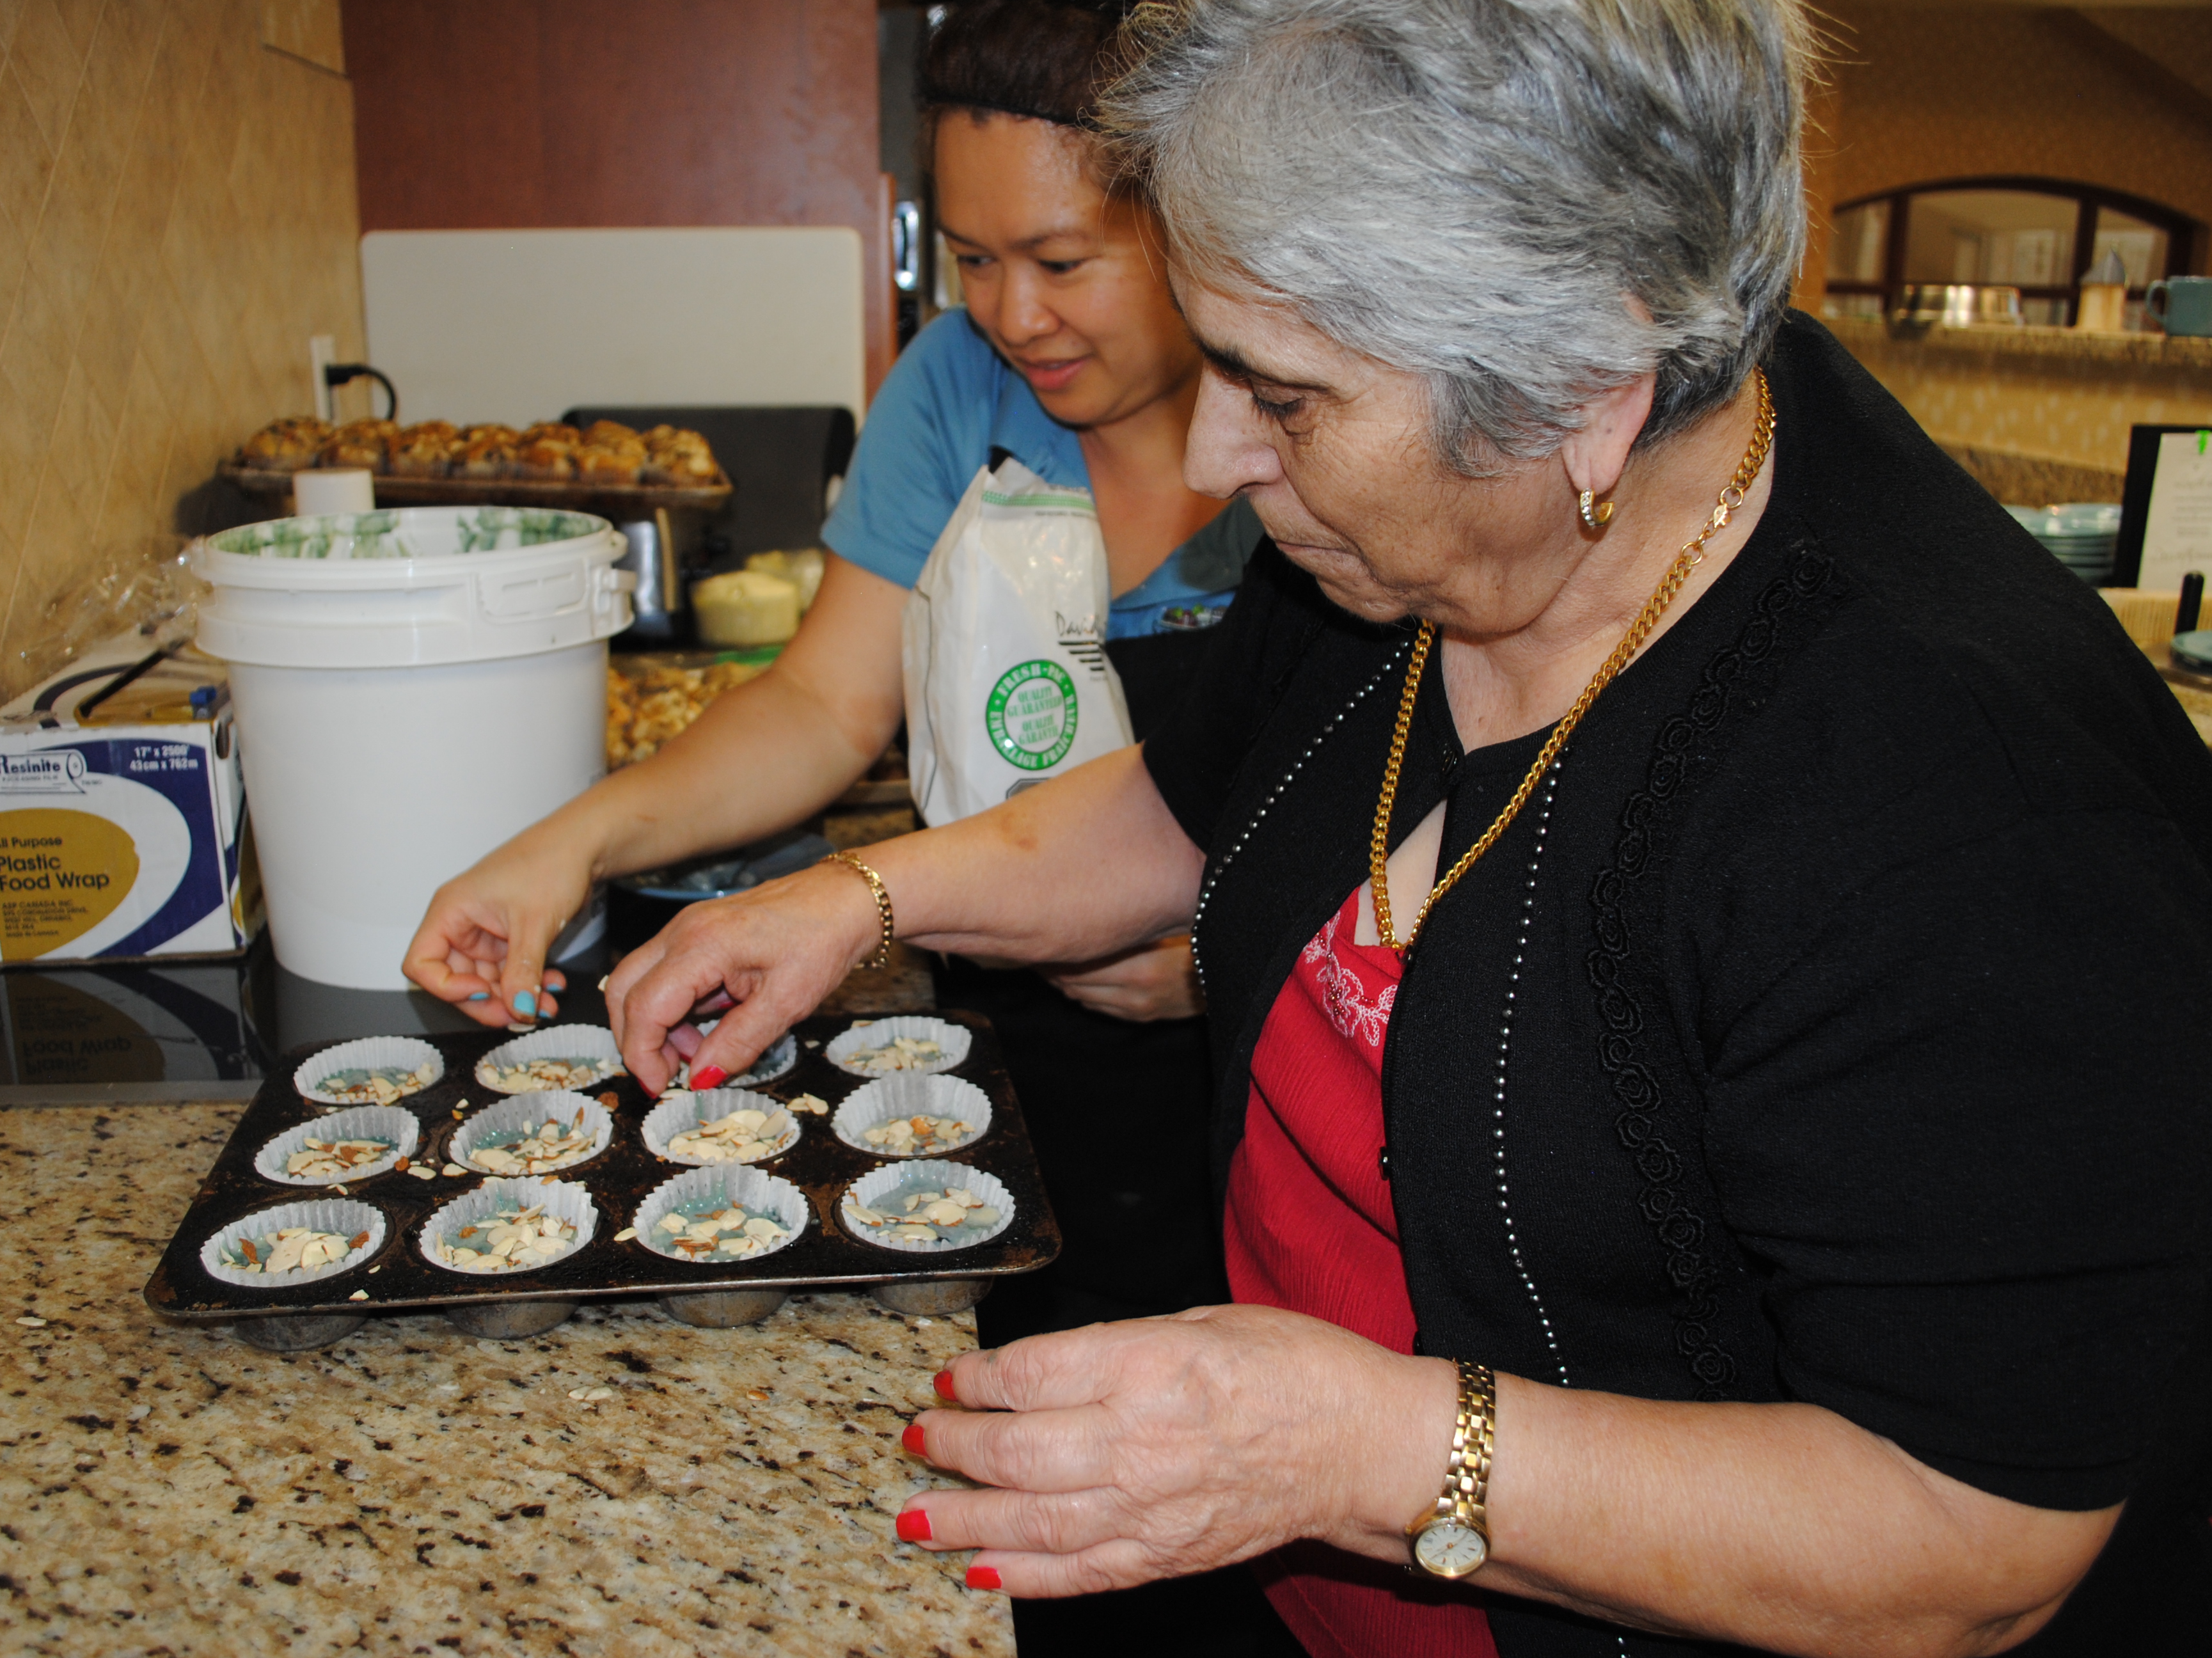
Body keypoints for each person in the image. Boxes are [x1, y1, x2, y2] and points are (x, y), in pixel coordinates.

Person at [601, 1, 2212, 1653]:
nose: (1226, 456)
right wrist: (862, 896)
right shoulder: (1425, 533)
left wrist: (1358, 1451)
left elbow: (1973, 1541)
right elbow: (1190, 798)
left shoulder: (1965, 816)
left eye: (1283, 398)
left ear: (1584, 393)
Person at [404, 3, 1295, 1652]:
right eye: (968, 258)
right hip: (1020, 1061)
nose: (1008, 315)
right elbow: (826, 705)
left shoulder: (1314, 423)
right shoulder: (960, 388)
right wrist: (576, 840)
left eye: (1062, 260)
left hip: (1277, 1104)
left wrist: (1226, 962)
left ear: (1202, 229)